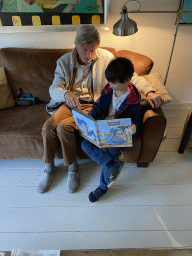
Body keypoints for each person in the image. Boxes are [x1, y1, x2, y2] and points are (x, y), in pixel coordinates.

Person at [37, 24, 163, 194]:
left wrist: (150, 91)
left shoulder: (106, 57)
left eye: (92, 50)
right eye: (84, 51)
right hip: (70, 102)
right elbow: (54, 89)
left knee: (64, 127)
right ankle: (49, 168)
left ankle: (73, 168)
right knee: (48, 126)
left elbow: (130, 77)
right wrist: (66, 94)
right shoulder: (64, 62)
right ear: (75, 43)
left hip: (94, 105)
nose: (89, 55)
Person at [81, 57, 140, 202]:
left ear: (127, 80)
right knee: (85, 144)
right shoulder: (108, 90)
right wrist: (89, 119)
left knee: (113, 151)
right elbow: (98, 108)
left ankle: (102, 187)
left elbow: (136, 119)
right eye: (110, 82)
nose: (111, 85)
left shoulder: (133, 99)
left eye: (115, 83)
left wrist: (133, 127)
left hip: (119, 132)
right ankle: (112, 164)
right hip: (102, 126)